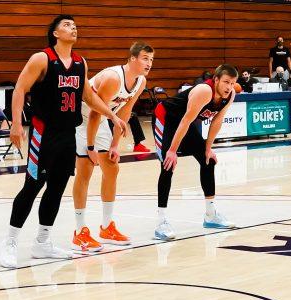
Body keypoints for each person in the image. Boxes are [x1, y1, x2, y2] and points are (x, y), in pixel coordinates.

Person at [0, 15, 125, 268]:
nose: (73, 28)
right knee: (33, 186)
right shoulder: (42, 58)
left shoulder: (80, 63)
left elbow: (89, 96)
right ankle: (10, 242)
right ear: (55, 33)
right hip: (43, 133)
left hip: (68, 134)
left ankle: (42, 242)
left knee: (56, 188)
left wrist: (112, 115)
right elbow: (20, 89)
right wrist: (15, 123)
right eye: (67, 25)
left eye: (75, 25)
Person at [71, 42, 154, 253]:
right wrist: (90, 146)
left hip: (101, 120)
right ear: (132, 58)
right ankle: (79, 231)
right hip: (80, 119)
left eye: (151, 59)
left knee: (112, 167)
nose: (149, 63)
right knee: (85, 170)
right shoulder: (112, 78)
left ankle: (106, 227)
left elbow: (125, 113)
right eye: (145, 58)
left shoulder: (140, 81)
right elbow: (94, 112)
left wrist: (116, 144)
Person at [153, 64, 239, 241]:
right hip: (166, 117)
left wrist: (208, 148)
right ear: (216, 80)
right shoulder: (203, 91)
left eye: (232, 83)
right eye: (225, 82)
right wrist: (172, 150)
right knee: (168, 165)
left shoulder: (230, 95)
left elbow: (217, 121)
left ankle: (210, 215)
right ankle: (161, 222)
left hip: (184, 122)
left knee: (208, 160)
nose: (229, 86)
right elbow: (185, 121)